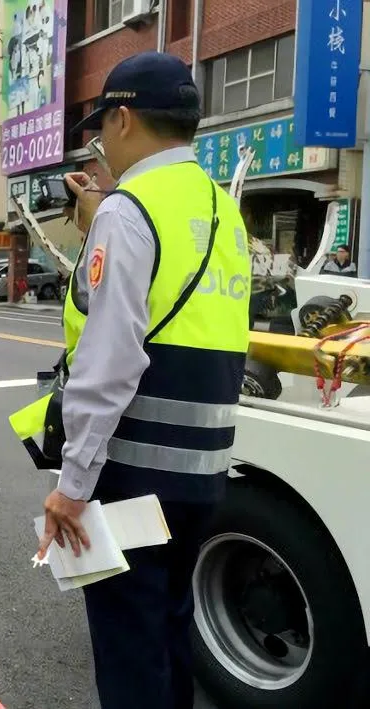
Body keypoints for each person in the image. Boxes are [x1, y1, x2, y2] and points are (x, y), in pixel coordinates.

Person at [25, 52, 251, 709]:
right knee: (171, 637)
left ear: (123, 119)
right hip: (202, 479)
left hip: (130, 478)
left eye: (102, 132)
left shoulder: (128, 214)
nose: (102, 148)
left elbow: (109, 362)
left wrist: (71, 487)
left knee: (128, 651)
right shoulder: (221, 210)